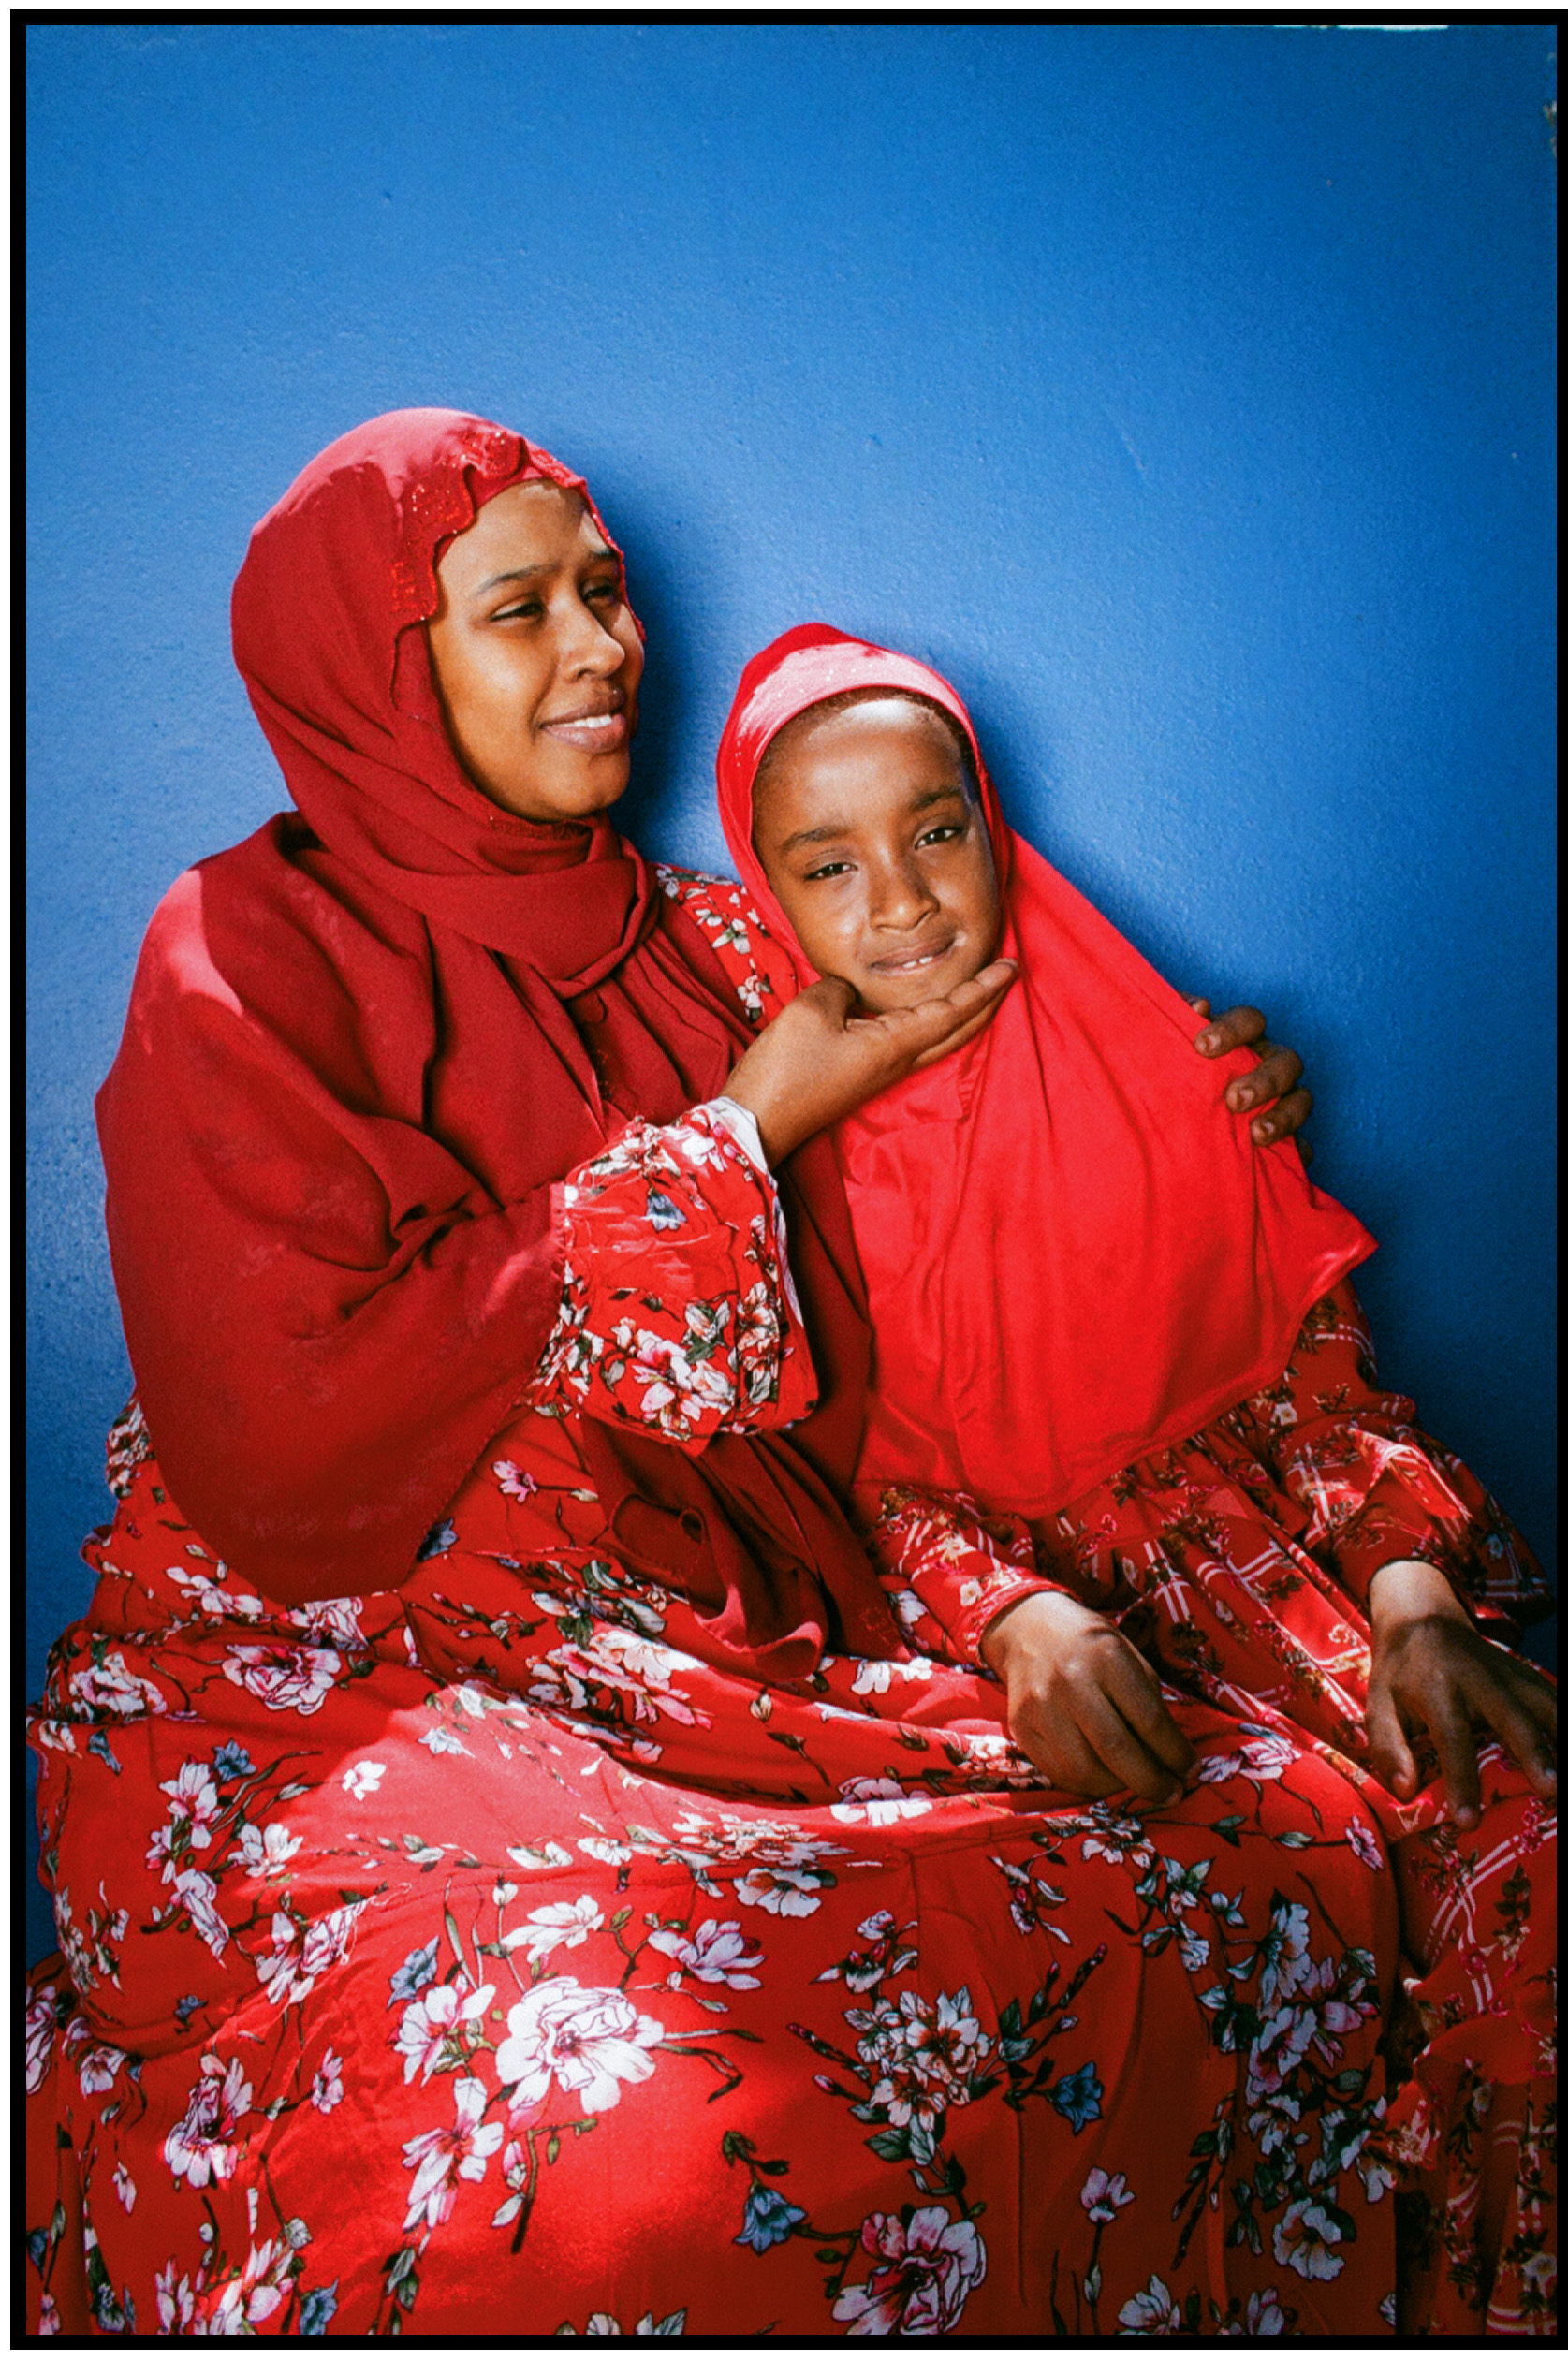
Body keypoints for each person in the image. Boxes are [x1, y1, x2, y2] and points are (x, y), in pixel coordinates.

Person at [20, 411, 1471, 2339]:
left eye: (602, 592)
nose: (602, 645)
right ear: (379, 670)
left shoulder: (713, 947)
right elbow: (282, 1410)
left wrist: (1206, 1101)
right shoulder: (242, 952)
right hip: (346, 1664)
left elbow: (1004, 1089)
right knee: (590, 2128)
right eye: (517, 610)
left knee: (1231, 1859)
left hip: (727, 1648)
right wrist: (745, 1122)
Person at [699, 622, 1559, 2333]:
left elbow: (1310, 1382)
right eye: (828, 865)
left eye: (938, 830)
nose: (906, 901)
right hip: (1013, 1655)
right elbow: (845, 1474)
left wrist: (1415, 1597)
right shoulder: (775, 1158)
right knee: (1190, 1941)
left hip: (1277, 1588)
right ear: (766, 900)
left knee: (1514, 1835)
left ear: (995, 828)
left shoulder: (1173, 1068)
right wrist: (1012, 1613)